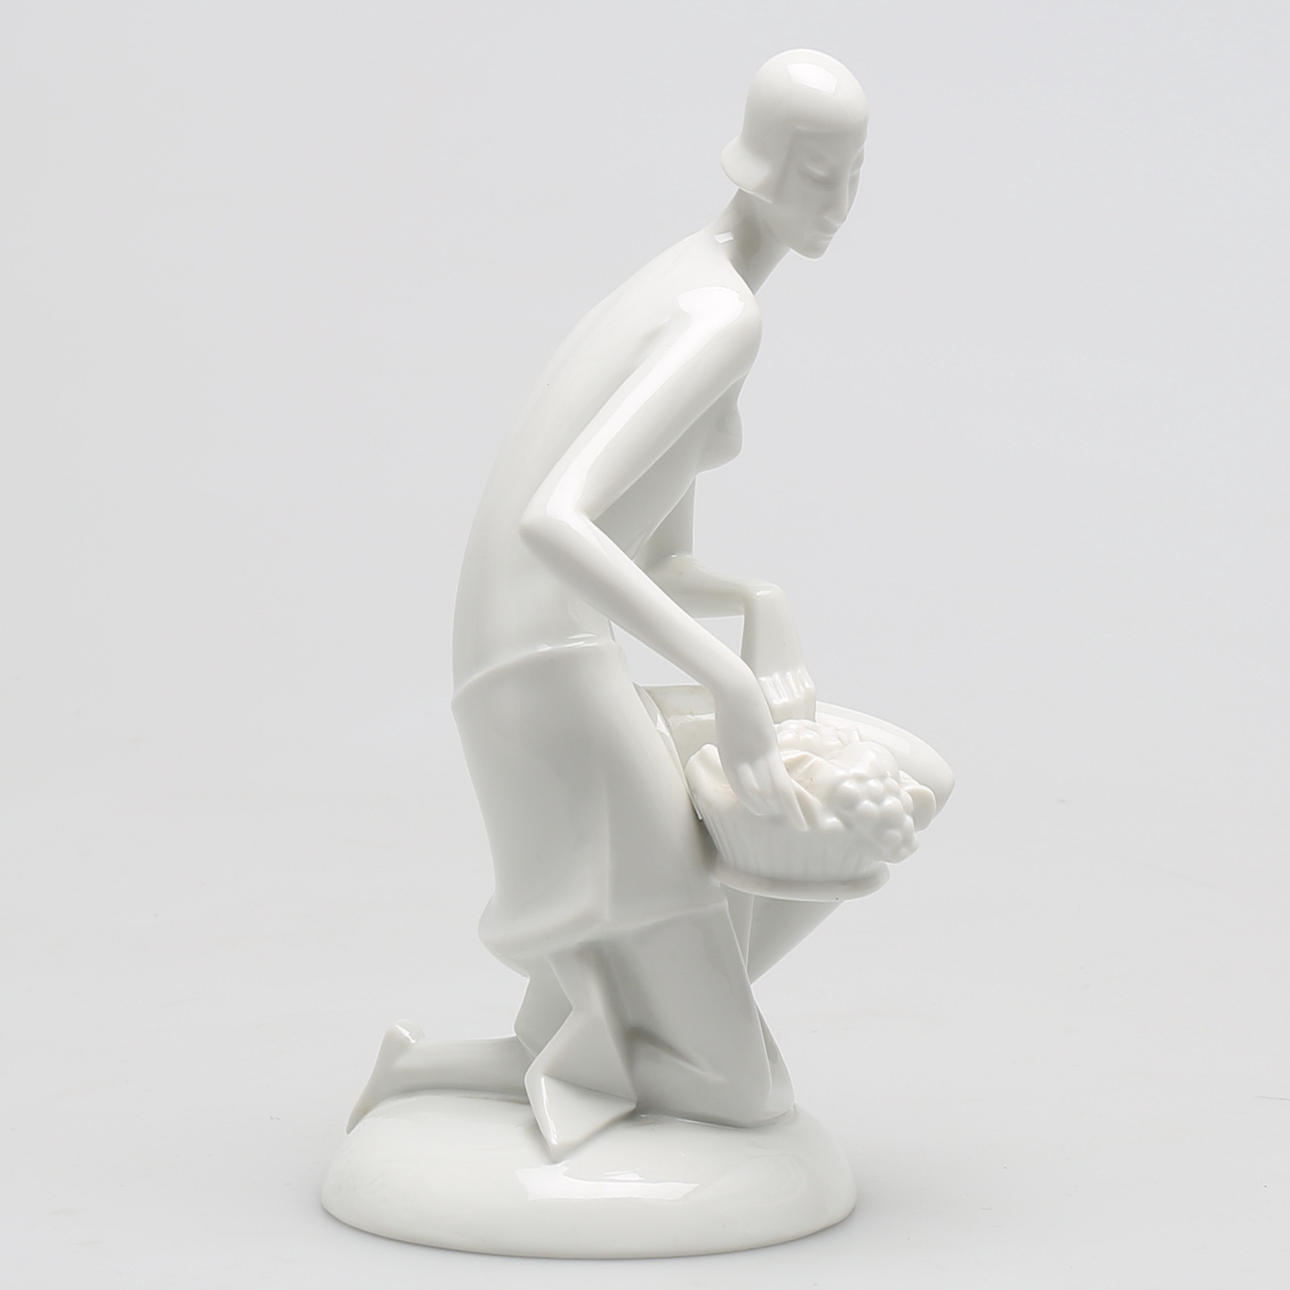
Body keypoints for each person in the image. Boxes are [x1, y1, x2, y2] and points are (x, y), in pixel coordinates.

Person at [349, 50, 871, 1156]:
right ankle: (662, 1047)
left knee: (698, 901)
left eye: (853, 173)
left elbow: (654, 554)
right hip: (541, 668)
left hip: (540, 653)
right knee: (743, 1091)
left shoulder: (694, 280)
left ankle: (433, 1066)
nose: (839, 201)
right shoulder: (719, 315)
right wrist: (728, 682)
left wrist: (757, 600)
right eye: (819, 172)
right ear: (765, 162)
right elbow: (558, 516)